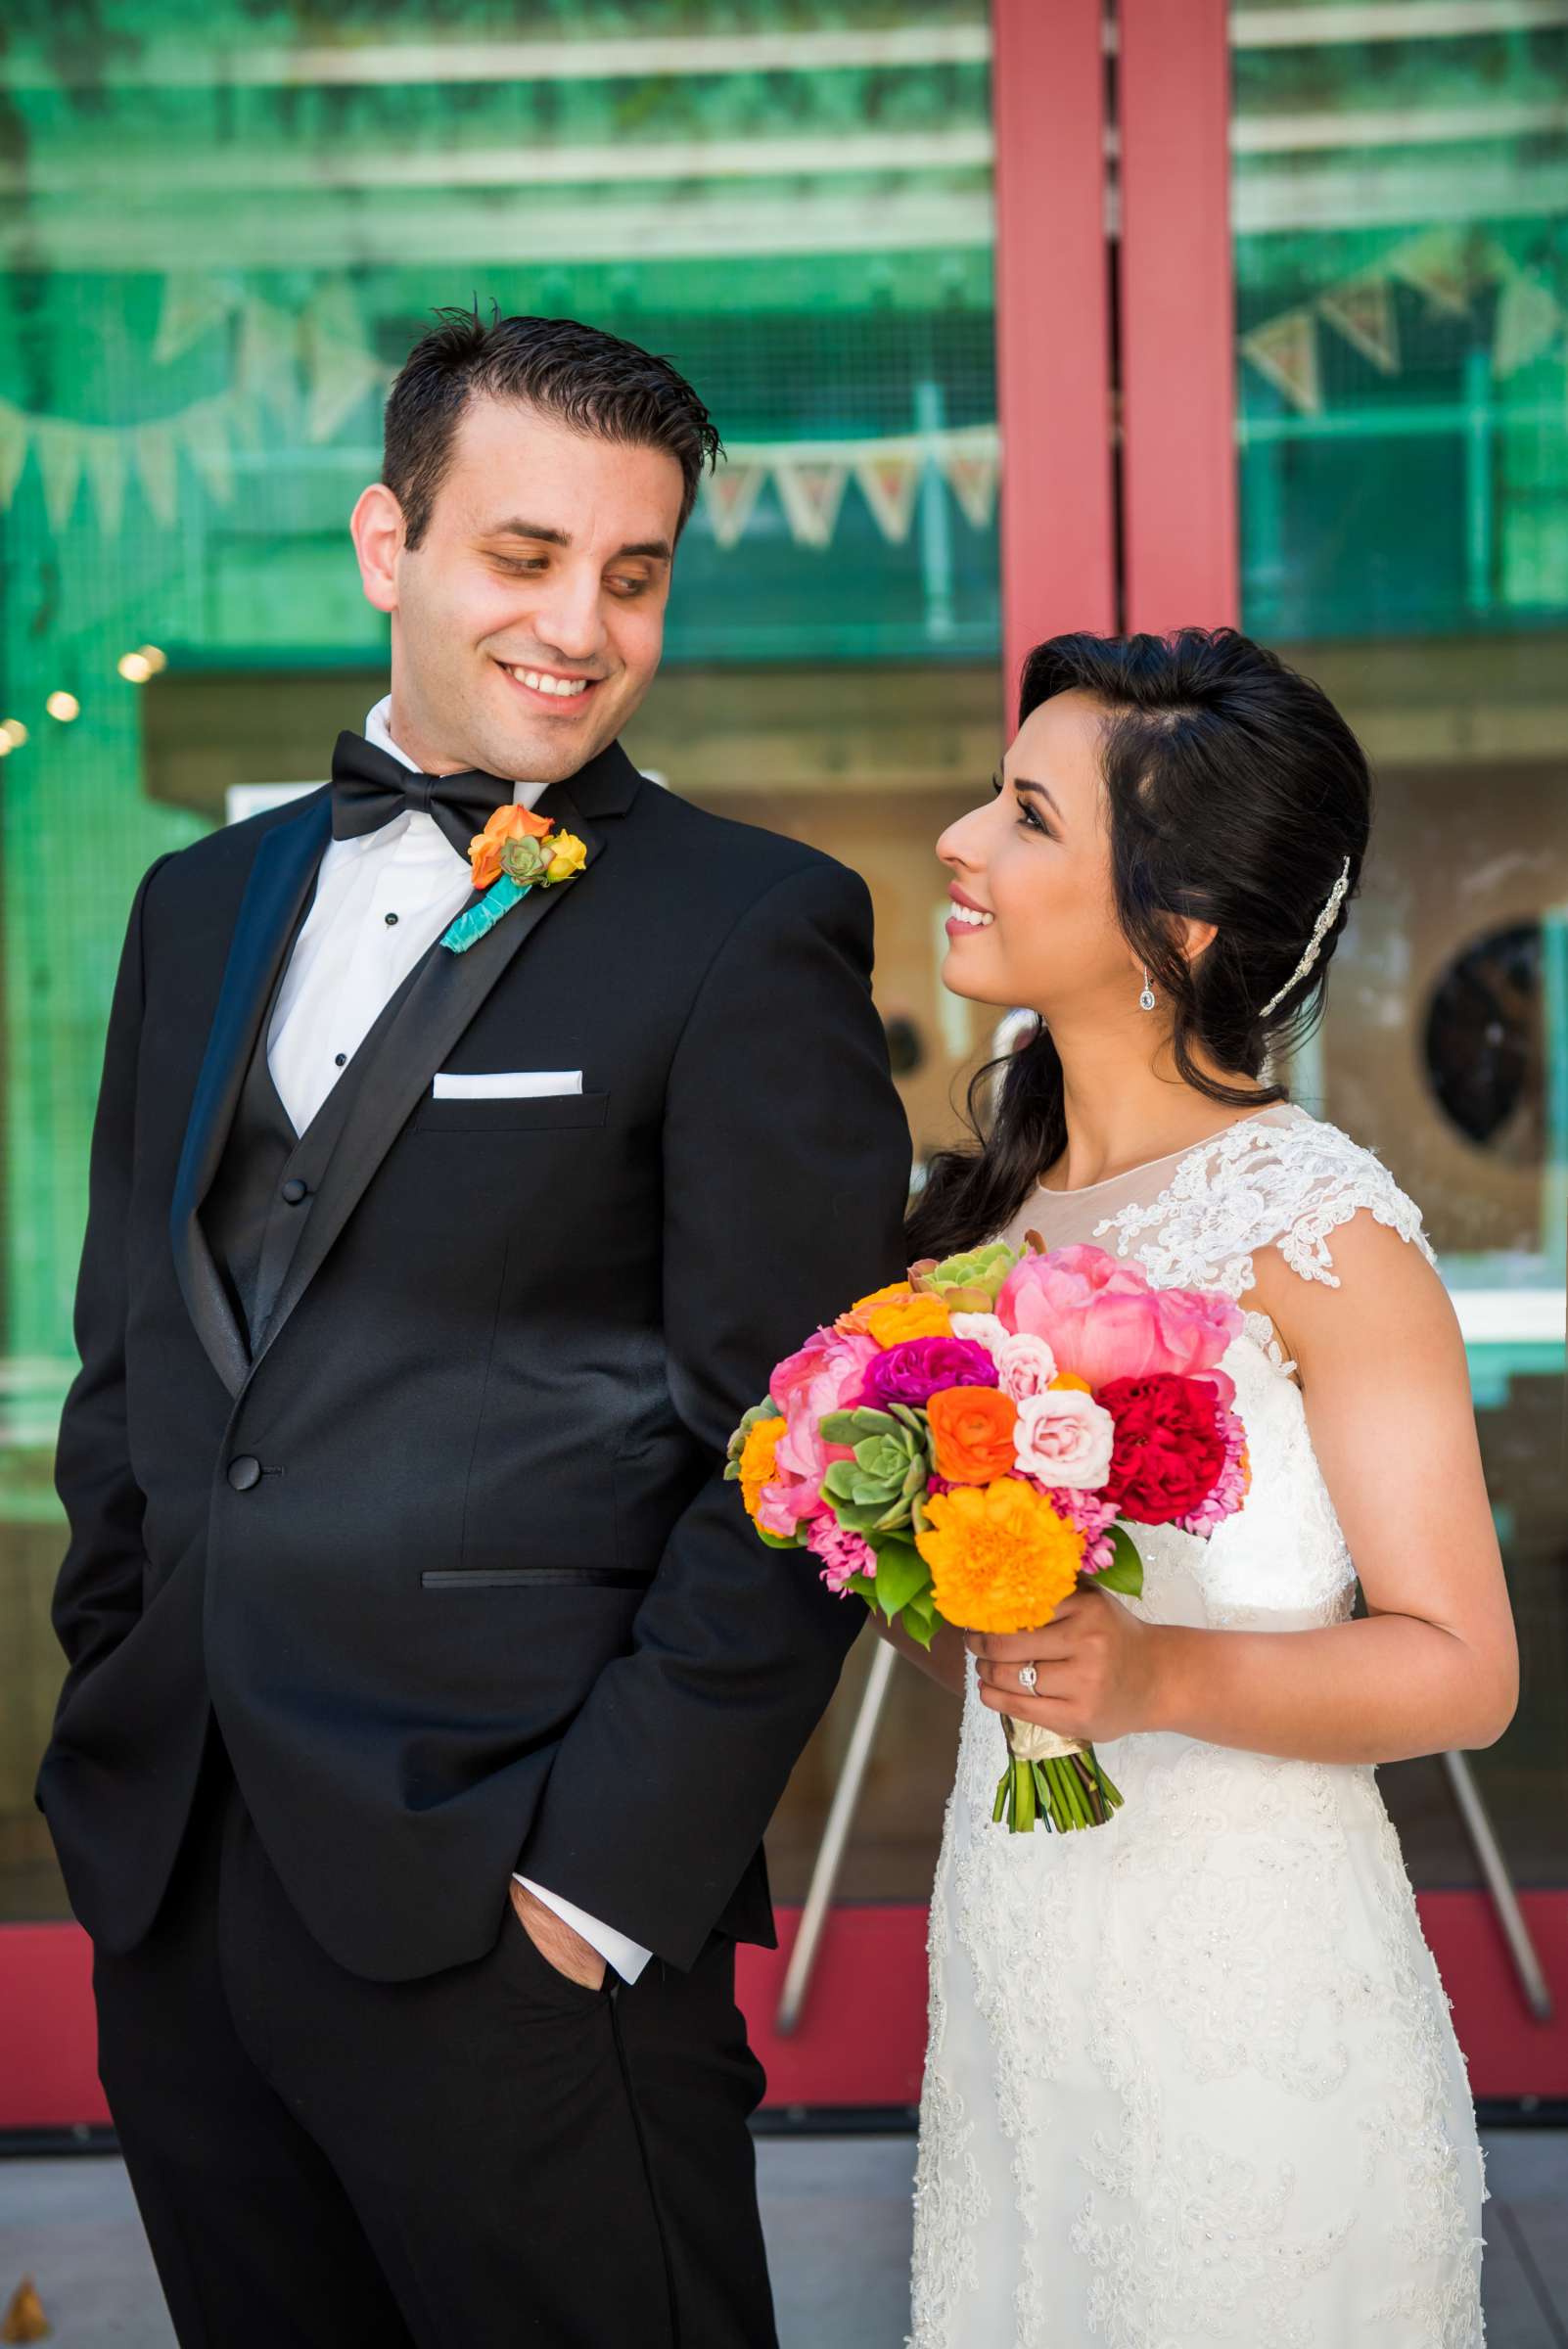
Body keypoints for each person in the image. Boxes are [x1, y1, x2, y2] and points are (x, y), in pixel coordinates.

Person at [37, 310, 911, 2349]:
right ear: (387, 544)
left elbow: (805, 1460)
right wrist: (116, 1692)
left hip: (519, 1911)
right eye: (524, 557)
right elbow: (132, 1364)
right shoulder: (197, 904)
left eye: (635, 572)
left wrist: (593, 1893)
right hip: (183, 1886)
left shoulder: (748, 926)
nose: (582, 627)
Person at [896, 628, 1516, 2347]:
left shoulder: (1317, 1233)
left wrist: (1160, 1677)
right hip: (1020, 1977)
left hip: (1245, 2003)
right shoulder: (975, 1227)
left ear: (1174, 930)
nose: (960, 837)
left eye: (1025, 816)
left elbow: (1463, 1667)